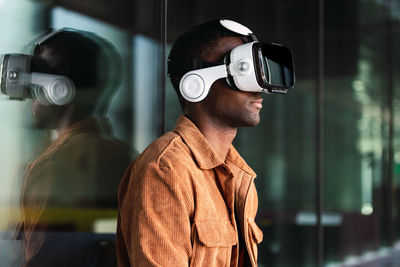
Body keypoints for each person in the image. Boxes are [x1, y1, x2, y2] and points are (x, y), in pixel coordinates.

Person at [116, 19, 296, 266]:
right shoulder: (166, 170)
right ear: (196, 84)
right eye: (243, 72)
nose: (259, 90)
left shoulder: (239, 175)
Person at [18, 29, 133, 267]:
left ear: (59, 90)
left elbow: (50, 260)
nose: (30, 96)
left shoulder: (54, 165)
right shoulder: (126, 155)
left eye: (37, 86)